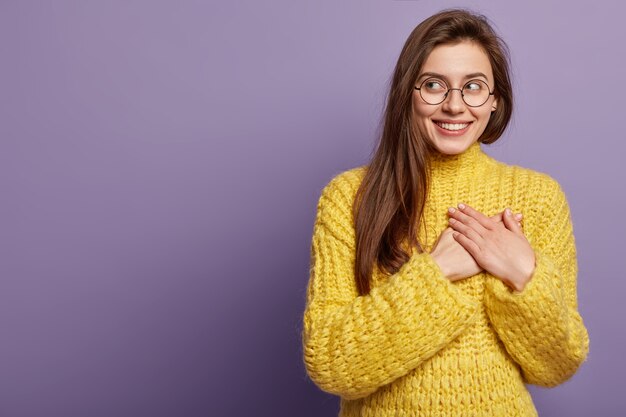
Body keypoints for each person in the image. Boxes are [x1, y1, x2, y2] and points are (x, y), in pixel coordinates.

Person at [301, 8, 589, 417]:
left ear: (494, 102)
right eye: (434, 85)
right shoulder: (350, 196)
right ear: (408, 95)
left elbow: (558, 365)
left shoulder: (538, 196)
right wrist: (435, 274)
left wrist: (522, 273)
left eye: (473, 87)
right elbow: (329, 363)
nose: (455, 105)